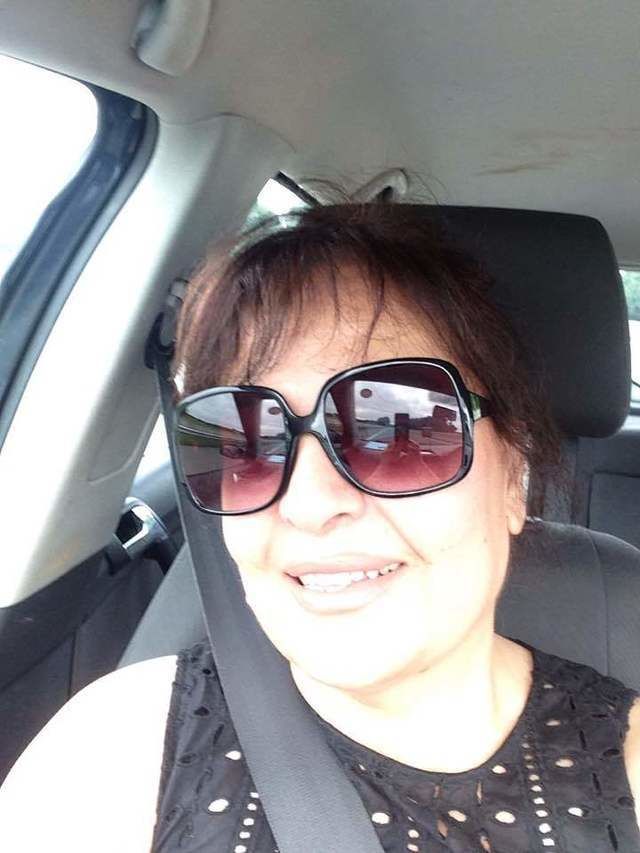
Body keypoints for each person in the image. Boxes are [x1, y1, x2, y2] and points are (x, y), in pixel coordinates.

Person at [2, 201, 640, 853]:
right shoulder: (109, 758)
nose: (307, 504)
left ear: (513, 477)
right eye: (242, 439)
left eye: (396, 427)